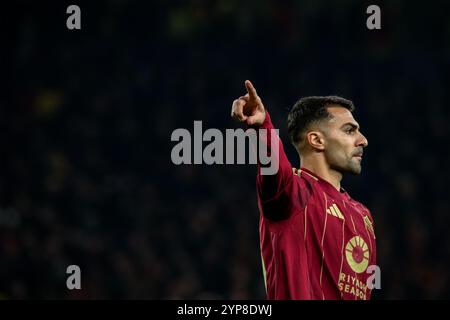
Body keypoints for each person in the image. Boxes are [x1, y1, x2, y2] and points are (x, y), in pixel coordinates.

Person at [231, 80, 376, 300]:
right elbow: (274, 167)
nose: (363, 140)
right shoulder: (293, 193)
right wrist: (262, 127)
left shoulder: (364, 216)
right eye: (349, 131)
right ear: (317, 140)